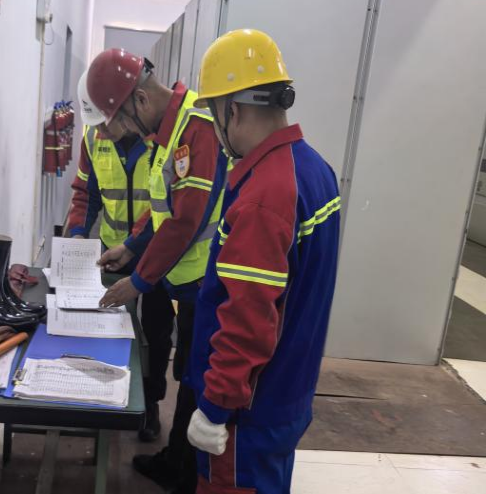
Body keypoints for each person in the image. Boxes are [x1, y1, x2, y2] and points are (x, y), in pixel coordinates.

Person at [184, 29, 341, 494]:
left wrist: (214, 409)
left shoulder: (264, 195)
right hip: (286, 396)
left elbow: (248, 321)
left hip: (245, 417)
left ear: (231, 110)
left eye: (214, 114)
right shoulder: (315, 170)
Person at [87, 49, 228, 494]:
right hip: (185, 281)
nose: (125, 132)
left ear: (141, 100)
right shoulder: (171, 131)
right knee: (188, 372)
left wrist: (138, 281)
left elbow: (185, 221)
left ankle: (185, 475)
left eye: (123, 122)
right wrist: (130, 247)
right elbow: (163, 205)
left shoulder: (196, 128)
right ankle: (176, 460)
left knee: (196, 375)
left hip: (205, 283)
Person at [67, 71, 175, 442]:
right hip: (114, 255)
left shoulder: (160, 138)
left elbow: (169, 204)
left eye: (104, 123)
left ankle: (151, 402)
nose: (99, 132)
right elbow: (85, 193)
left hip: (157, 252)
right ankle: (105, 391)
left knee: (157, 333)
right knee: (110, 327)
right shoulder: (92, 139)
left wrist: (136, 244)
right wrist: (77, 236)